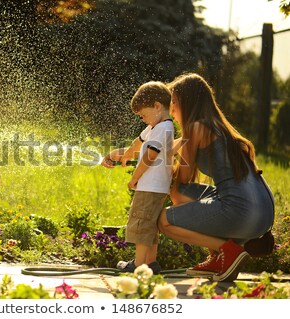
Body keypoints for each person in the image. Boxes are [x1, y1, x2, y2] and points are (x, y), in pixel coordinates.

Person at [157, 73, 275, 281]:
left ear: (186, 102)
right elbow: (167, 148)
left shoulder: (195, 128)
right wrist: (132, 153)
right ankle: (222, 255)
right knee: (184, 193)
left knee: (164, 220)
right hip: (264, 212)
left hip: (242, 212)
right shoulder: (216, 127)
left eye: (173, 102)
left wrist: (155, 169)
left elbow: (179, 180)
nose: (172, 109)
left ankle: (226, 251)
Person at [102, 81, 174, 274]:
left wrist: (135, 177)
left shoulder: (163, 128)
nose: (143, 119)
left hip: (150, 186)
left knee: (141, 224)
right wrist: (121, 154)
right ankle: (150, 262)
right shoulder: (155, 127)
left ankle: (139, 264)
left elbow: (149, 156)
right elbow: (138, 144)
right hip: (154, 187)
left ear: (157, 106)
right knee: (149, 224)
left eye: (143, 115)